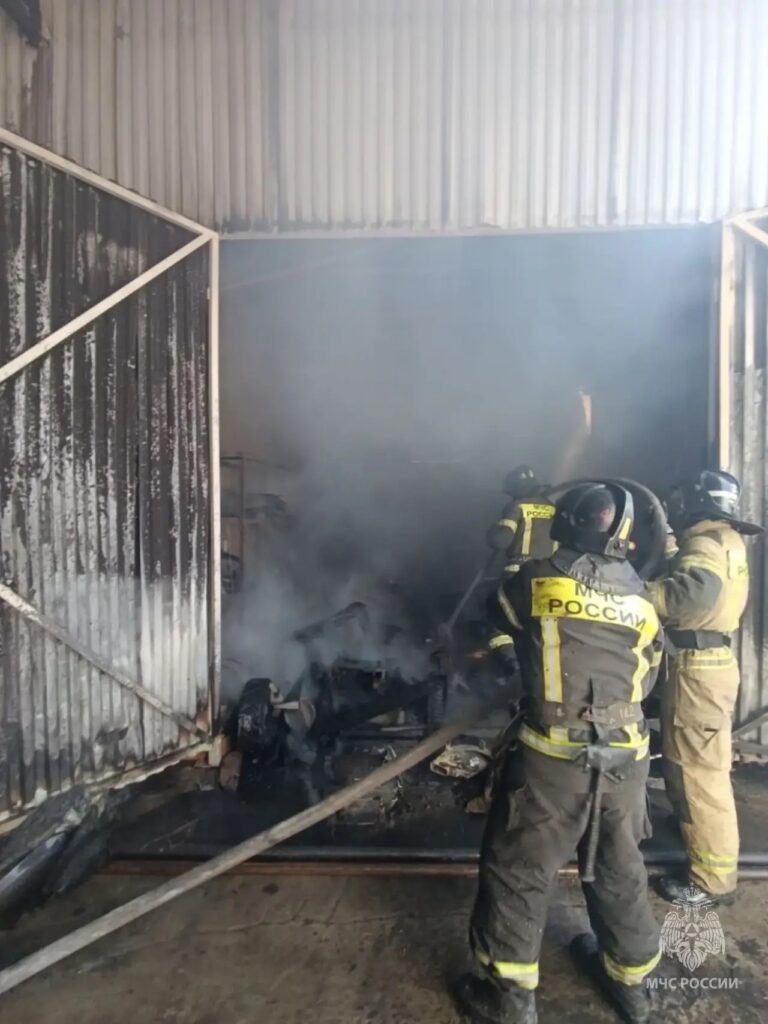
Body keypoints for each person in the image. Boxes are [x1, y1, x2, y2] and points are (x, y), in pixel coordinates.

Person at [458, 482, 664, 1024]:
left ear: (565, 524)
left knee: (520, 870)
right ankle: (633, 988)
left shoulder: (535, 580)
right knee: (620, 868)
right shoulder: (644, 600)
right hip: (627, 760)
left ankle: (508, 999)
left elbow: (498, 614)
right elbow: (648, 676)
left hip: (553, 761)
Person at [648, 470, 762, 906]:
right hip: (706, 666)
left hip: (697, 671)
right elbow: (697, 575)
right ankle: (693, 833)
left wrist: (636, 595)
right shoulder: (722, 539)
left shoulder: (704, 544)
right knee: (688, 764)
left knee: (700, 774)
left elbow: (689, 598)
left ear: (695, 502)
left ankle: (711, 881)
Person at [486, 465, 557, 668]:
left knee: (497, 619)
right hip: (552, 579)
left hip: (518, 576)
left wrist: (493, 532)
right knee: (541, 626)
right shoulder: (555, 509)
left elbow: (501, 540)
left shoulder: (518, 506)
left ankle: (511, 665)